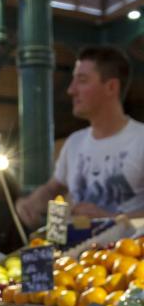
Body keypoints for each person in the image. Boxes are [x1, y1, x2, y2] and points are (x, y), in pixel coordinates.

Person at [16, 46, 144, 229]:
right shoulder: (74, 142)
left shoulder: (140, 140)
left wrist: (111, 218)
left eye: (82, 80)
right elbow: (55, 187)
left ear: (111, 87)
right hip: (78, 254)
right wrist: (31, 202)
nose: (71, 90)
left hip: (130, 254)